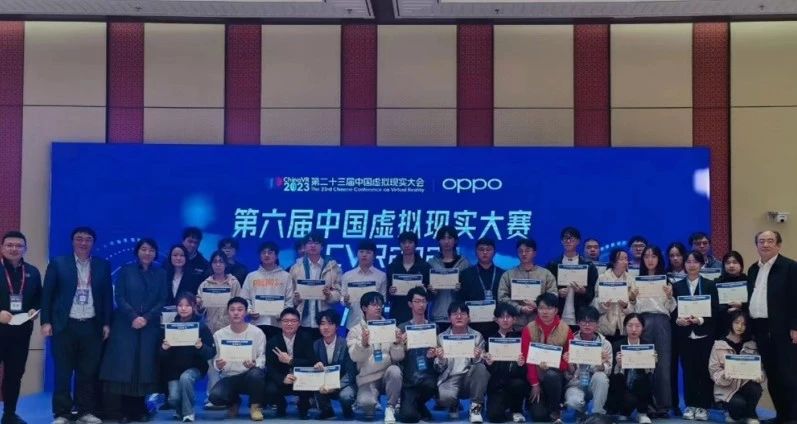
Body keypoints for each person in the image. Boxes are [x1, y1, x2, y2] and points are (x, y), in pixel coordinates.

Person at [41, 227, 112, 424]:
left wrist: (106, 323)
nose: (83, 242)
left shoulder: (102, 265)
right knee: (63, 372)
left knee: (87, 372)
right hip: (64, 325)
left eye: (88, 239)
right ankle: (62, 413)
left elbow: (107, 297)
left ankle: (84, 412)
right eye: (79, 239)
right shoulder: (58, 263)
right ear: (72, 241)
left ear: (93, 243)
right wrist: (46, 321)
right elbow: (47, 295)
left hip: (91, 326)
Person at [99, 238, 168, 423]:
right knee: (125, 366)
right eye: (144, 249)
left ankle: (139, 409)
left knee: (144, 367)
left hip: (149, 326)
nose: (147, 253)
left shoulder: (161, 273)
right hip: (125, 325)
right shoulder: (126, 270)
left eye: (151, 250)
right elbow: (119, 296)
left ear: (155, 253)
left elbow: (162, 299)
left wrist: (146, 318)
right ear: (137, 251)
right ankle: (123, 411)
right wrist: (133, 316)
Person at [746, 230, 797, 423]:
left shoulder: (790, 267)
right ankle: (781, 415)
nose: (765, 244)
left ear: (778, 245)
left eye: (770, 241)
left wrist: (795, 327)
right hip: (760, 328)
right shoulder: (753, 269)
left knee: (788, 375)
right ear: (756, 245)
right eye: (761, 241)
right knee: (772, 375)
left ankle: (792, 417)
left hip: (784, 330)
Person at [0, 231, 42, 424]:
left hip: (21, 332)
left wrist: (34, 310)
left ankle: (9, 414)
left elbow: (38, 298)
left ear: (25, 249)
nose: (14, 249)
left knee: (15, 374)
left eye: (19, 245)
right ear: (2, 247)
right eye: (9, 245)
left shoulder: (32, 272)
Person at [673, 251, 719, 421]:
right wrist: (678, 320)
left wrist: (700, 319)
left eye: (695, 262)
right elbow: (672, 311)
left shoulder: (709, 285)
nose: (691, 265)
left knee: (704, 371)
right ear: (684, 264)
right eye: (688, 261)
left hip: (704, 334)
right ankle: (690, 405)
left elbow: (715, 309)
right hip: (685, 335)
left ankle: (704, 406)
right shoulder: (677, 286)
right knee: (688, 371)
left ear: (701, 264)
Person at [631, 245, 675, 417]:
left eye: (653, 256)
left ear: (659, 259)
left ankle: (663, 405)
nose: (650, 260)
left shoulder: (666, 280)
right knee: (645, 363)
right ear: (642, 259)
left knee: (663, 365)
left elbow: (671, 308)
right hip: (642, 321)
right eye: (646, 256)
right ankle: (646, 404)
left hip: (662, 322)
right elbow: (632, 308)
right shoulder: (636, 280)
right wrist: (632, 298)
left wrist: (670, 296)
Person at [346, 292, 404, 423]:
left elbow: (398, 357)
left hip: (387, 374)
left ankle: (390, 407)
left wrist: (397, 344)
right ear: (364, 308)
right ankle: (369, 401)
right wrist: (363, 344)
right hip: (367, 378)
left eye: (380, 305)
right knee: (366, 405)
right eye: (374, 304)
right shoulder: (355, 331)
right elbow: (354, 357)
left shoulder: (391, 327)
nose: (378, 307)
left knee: (395, 371)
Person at [208, 297, 267, 421]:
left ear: (245, 312)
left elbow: (262, 356)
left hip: (249, 375)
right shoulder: (219, 335)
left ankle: (255, 407)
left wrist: (254, 363)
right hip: (229, 377)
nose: (236, 313)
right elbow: (215, 360)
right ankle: (234, 402)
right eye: (232, 310)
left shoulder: (257, 332)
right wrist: (218, 365)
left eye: (240, 310)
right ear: (228, 312)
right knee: (214, 396)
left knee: (256, 374)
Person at [159, 293, 215, 422]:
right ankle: (180, 410)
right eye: (180, 305)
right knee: (173, 400)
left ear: (194, 306)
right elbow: (160, 356)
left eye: (187, 305)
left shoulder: (202, 327)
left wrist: (201, 347)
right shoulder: (170, 327)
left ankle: (188, 413)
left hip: (195, 367)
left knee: (186, 378)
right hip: (173, 370)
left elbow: (211, 353)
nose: (183, 308)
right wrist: (164, 349)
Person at [520, 293, 573, 424]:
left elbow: (570, 360)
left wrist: (554, 364)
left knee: (551, 375)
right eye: (541, 308)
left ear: (556, 310)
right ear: (537, 309)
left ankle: (556, 409)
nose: (545, 312)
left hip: (556, 377)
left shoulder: (566, 329)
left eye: (549, 308)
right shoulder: (529, 329)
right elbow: (527, 358)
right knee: (539, 416)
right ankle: (538, 403)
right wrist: (535, 384)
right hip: (536, 376)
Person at [434, 301, 489, 423]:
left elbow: (483, 361)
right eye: (455, 314)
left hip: (469, 377)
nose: (459, 317)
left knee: (481, 369)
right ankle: (454, 404)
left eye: (463, 314)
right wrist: (441, 359)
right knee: (443, 398)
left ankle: (475, 409)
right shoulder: (441, 337)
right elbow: (438, 368)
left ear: (468, 317)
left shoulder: (477, 336)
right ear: (449, 318)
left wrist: (477, 357)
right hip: (450, 378)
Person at [709, 311, 764, 424]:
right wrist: (724, 375)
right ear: (731, 323)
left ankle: (750, 415)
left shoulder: (751, 344)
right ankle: (734, 415)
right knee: (738, 404)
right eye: (737, 322)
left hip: (745, 385)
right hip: (727, 388)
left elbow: (760, 368)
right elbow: (714, 370)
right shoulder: (719, 344)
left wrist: (760, 376)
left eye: (744, 324)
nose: (740, 326)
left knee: (756, 389)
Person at [264, 307, 318, 419]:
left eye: (293, 321)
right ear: (280, 323)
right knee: (269, 389)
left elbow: (311, 362)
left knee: (310, 384)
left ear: (299, 323)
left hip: (301, 377)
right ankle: (281, 404)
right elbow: (270, 367)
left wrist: (290, 361)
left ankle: (303, 406)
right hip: (282, 377)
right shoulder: (272, 342)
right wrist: (282, 378)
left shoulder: (306, 339)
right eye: (286, 321)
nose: (289, 324)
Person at [289, 231, 342, 340]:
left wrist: (329, 295)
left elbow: (339, 292)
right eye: (309, 243)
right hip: (302, 320)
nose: (313, 246)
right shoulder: (296, 268)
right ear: (305, 246)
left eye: (316, 243)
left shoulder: (332, 267)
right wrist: (296, 299)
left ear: (322, 247)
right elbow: (289, 294)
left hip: (325, 320)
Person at [396, 287, 437, 423]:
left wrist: (435, 354)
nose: (421, 305)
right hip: (409, 381)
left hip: (428, 378)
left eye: (423, 301)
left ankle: (418, 404)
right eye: (417, 301)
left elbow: (440, 354)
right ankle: (416, 406)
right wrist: (400, 345)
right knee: (408, 417)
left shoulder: (434, 327)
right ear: (410, 304)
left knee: (431, 385)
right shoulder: (402, 328)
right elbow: (396, 357)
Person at [482, 302, 528, 423]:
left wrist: (521, 364)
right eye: (502, 317)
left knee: (519, 383)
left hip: (514, 381)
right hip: (497, 384)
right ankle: (502, 406)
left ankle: (516, 409)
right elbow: (488, 370)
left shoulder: (521, 338)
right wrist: (489, 363)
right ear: (496, 320)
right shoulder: (490, 339)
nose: (505, 320)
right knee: (495, 417)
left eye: (509, 317)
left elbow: (525, 369)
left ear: (515, 319)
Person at [564, 306, 612, 419]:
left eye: (591, 322)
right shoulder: (570, 341)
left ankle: (597, 414)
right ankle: (581, 411)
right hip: (576, 383)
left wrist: (601, 364)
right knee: (573, 401)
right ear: (578, 323)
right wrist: (569, 363)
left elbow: (608, 371)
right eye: (583, 321)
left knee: (601, 377)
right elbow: (568, 374)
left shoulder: (605, 344)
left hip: (594, 383)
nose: (587, 325)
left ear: (597, 324)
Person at [606, 313, 655, 424]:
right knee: (617, 379)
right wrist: (618, 365)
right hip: (623, 386)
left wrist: (651, 365)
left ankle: (642, 413)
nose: (634, 329)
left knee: (645, 379)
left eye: (637, 326)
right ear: (625, 327)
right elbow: (611, 374)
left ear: (643, 328)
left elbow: (650, 373)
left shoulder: (647, 346)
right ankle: (622, 411)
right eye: (630, 325)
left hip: (639, 386)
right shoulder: (616, 345)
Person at [497, 238, 557, 327]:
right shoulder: (508, 275)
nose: (524, 254)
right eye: (520, 251)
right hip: (515, 325)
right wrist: (519, 308)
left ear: (534, 253)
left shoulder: (546, 274)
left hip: (540, 325)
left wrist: (538, 305)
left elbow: (553, 296)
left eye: (527, 251)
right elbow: (502, 298)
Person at [546, 227, 598, 329]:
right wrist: (557, 292)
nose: (568, 241)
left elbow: (594, 293)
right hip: (557, 314)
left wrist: (584, 291)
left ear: (578, 241)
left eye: (572, 238)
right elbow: (546, 291)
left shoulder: (589, 266)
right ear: (561, 241)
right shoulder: (553, 265)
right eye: (565, 238)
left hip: (581, 316)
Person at [239, 241, 293, 340]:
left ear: (276, 255)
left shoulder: (286, 276)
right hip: (256, 323)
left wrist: (282, 314)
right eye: (263, 252)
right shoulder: (251, 276)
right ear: (259, 256)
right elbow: (244, 299)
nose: (266, 255)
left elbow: (290, 300)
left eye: (270, 252)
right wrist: (250, 311)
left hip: (278, 325)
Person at [313, 309, 357, 420]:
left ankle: (347, 409)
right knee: (316, 385)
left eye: (330, 323)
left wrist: (335, 386)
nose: (326, 327)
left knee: (346, 396)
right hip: (324, 383)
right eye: (322, 324)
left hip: (343, 383)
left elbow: (350, 373)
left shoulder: (346, 344)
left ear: (336, 326)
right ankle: (327, 410)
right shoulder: (315, 345)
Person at [458, 237, 505, 336]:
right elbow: (461, 299)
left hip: (497, 324)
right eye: (481, 249)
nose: (485, 252)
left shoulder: (502, 274)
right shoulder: (466, 274)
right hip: (472, 324)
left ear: (494, 252)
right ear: (476, 252)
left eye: (488, 249)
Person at [428, 226, 470, 331]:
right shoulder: (431, 263)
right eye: (443, 238)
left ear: (455, 241)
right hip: (437, 314)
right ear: (438, 241)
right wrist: (431, 290)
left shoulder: (464, 263)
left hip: (458, 316)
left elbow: (469, 291)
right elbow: (425, 293)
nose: (446, 241)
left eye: (450, 238)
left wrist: (460, 290)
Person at [386, 231, 430, 325]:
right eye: (403, 243)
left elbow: (430, 294)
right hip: (397, 312)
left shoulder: (425, 267)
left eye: (410, 242)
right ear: (400, 245)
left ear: (415, 244)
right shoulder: (392, 267)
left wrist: (426, 290)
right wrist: (390, 291)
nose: (407, 245)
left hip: (419, 314)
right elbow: (387, 295)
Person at [343, 240, 387, 330]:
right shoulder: (347, 276)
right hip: (353, 323)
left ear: (374, 256)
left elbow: (383, 300)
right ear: (357, 254)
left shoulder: (381, 276)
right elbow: (342, 298)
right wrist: (345, 301)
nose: (364, 255)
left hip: (375, 324)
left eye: (368, 252)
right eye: (361, 251)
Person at [593, 248, 633, 345]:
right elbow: (595, 302)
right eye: (621, 259)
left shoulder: (631, 279)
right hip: (605, 325)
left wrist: (626, 306)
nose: (625, 262)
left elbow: (635, 304)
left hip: (623, 326)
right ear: (613, 262)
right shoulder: (603, 278)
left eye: (626, 259)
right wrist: (604, 305)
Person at [196, 251, 241, 333]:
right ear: (211, 264)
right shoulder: (205, 284)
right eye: (215, 262)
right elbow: (199, 311)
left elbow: (240, 305)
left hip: (230, 327)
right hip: (209, 328)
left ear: (226, 264)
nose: (218, 264)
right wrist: (198, 305)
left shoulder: (234, 283)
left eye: (221, 261)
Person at [715, 251, 747, 334]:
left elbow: (753, 303)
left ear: (741, 265)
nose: (731, 265)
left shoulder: (748, 281)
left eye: (735, 262)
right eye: (728, 263)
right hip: (723, 324)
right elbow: (714, 305)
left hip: (744, 323)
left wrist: (742, 306)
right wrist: (726, 309)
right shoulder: (717, 282)